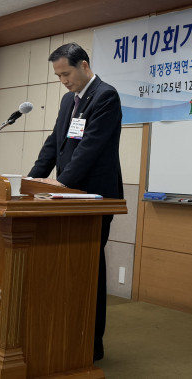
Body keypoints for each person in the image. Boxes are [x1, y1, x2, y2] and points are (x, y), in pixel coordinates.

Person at [28, 42, 123, 362]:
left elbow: (90, 147)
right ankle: (65, 333)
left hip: (94, 197)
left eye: (66, 73)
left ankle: (91, 344)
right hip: (67, 196)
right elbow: (54, 143)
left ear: (84, 65)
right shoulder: (69, 100)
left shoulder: (106, 96)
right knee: (65, 267)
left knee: (88, 267)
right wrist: (31, 180)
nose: (63, 81)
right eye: (58, 76)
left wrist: (62, 181)